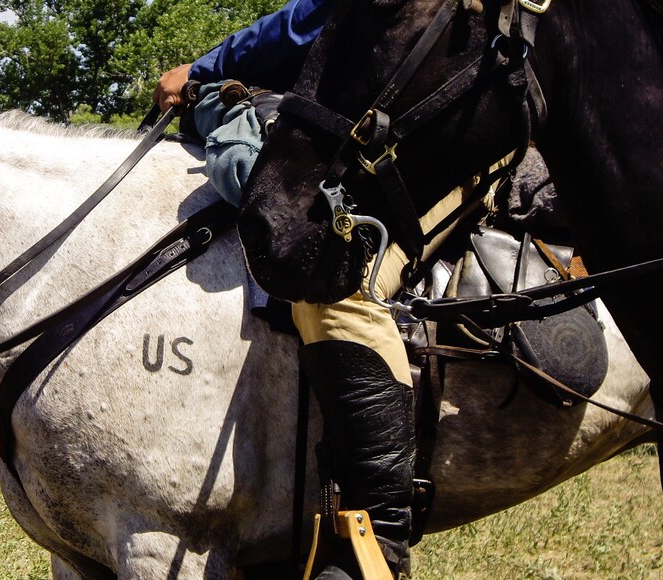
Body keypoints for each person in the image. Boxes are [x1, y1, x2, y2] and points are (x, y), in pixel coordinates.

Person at [154, 2, 491, 577]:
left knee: (335, 285)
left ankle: (373, 546)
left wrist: (206, 67)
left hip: (463, 143)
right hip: (412, 135)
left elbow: (318, 18)